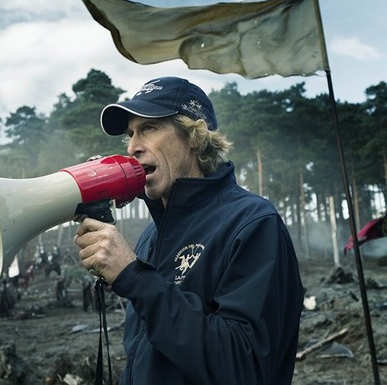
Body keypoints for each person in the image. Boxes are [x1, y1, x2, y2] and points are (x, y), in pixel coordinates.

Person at [74, 76, 304, 385]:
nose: (132, 147)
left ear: (194, 135)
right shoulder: (150, 238)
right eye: (130, 134)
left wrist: (134, 277)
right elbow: (146, 357)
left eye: (149, 128)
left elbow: (244, 365)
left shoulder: (253, 223)